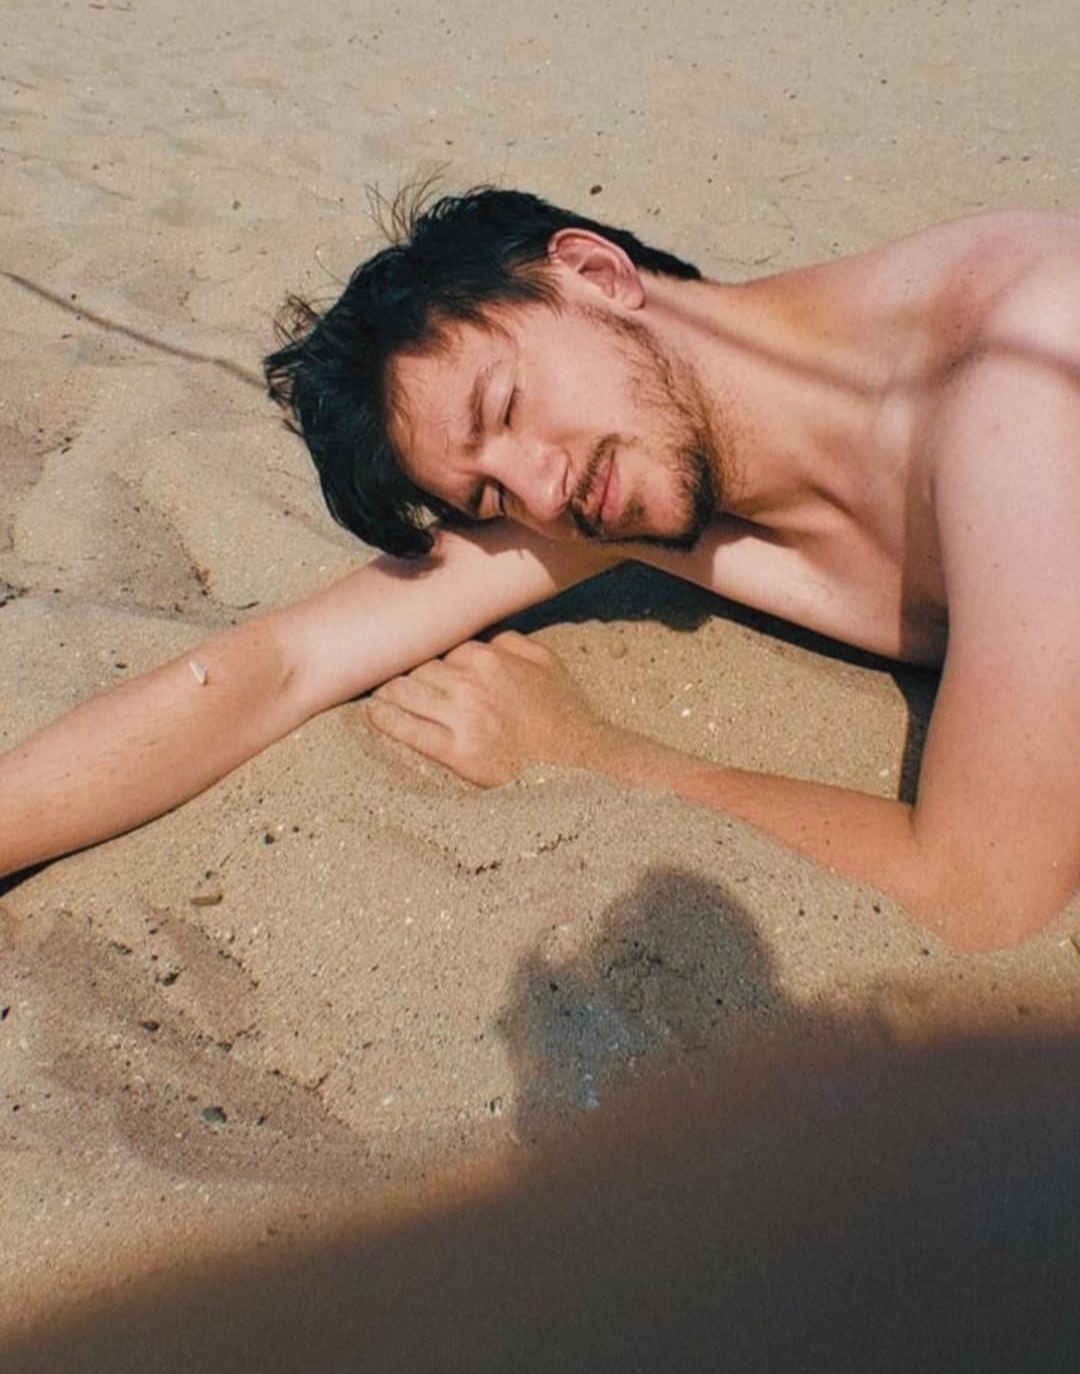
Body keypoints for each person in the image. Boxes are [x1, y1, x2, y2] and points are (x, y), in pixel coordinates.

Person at [3, 187, 1079, 952]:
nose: (540, 490)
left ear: (597, 275)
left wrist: (585, 752)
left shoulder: (1018, 386)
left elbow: (981, 892)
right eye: (489, 499)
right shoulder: (615, 461)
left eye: (505, 405)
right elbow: (283, 666)